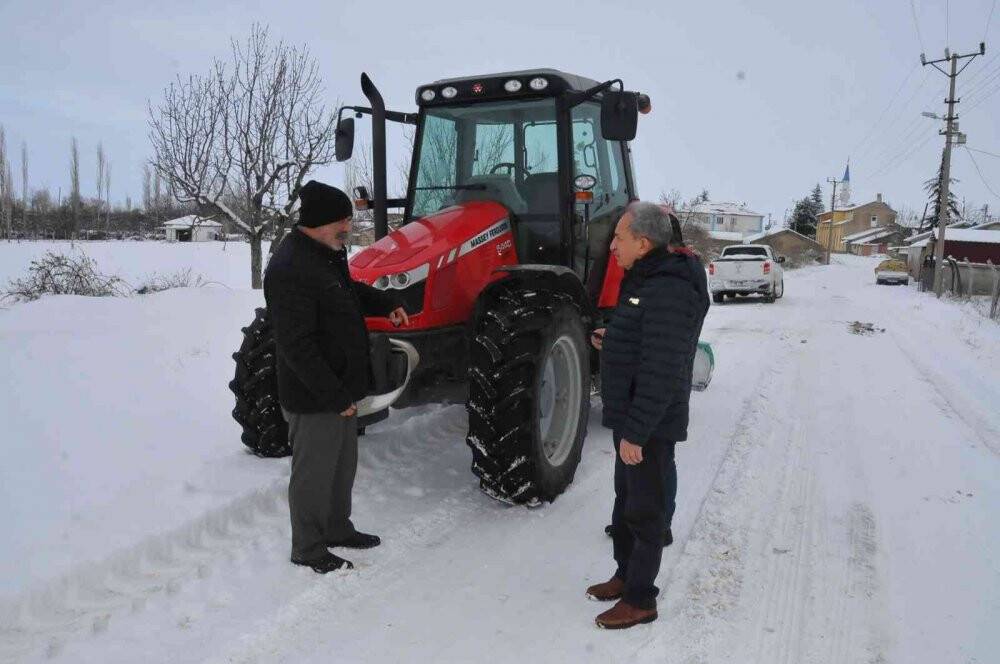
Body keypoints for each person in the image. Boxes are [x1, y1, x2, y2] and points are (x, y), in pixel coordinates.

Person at [264, 180, 409, 574]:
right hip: (315, 396)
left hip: (342, 389)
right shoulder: (290, 268)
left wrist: (388, 302)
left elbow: (348, 293)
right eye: (342, 220)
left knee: (341, 466)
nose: (348, 227)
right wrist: (332, 395)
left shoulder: (328, 253)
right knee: (313, 473)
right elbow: (296, 347)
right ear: (319, 221)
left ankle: (336, 528)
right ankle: (308, 547)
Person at [586, 202, 709, 629]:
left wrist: (636, 432)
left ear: (643, 242)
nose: (612, 245)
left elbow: (663, 366)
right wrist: (614, 340)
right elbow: (645, 338)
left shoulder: (670, 287)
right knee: (625, 503)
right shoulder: (647, 278)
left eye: (619, 237)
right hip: (633, 415)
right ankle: (625, 574)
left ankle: (641, 599)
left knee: (646, 510)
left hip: (649, 421)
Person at [600, 212, 708, 548]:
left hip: (661, 392)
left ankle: (660, 525)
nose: (614, 247)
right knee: (632, 474)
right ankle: (631, 529)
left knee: (659, 464)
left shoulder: (677, 279)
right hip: (644, 388)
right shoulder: (656, 275)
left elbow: (667, 347)